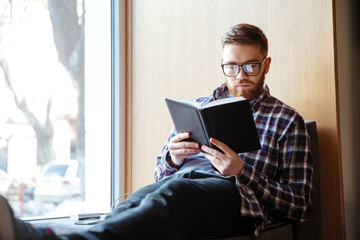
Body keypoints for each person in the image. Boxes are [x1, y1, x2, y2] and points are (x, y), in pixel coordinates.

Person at [0, 23, 313, 240]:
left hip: (236, 198)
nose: (240, 75)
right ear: (222, 65)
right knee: (130, 203)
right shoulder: (199, 107)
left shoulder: (287, 120)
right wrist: (173, 159)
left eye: (251, 66)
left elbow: (299, 205)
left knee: (176, 196)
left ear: (266, 64)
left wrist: (242, 171)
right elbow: (160, 174)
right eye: (231, 66)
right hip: (182, 181)